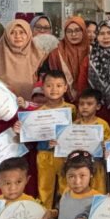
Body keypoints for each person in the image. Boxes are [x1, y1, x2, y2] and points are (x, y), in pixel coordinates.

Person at [15, 70, 76, 208]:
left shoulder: (72, 110)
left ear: (65, 88)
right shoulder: (36, 113)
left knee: (67, 187)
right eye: (49, 85)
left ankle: (67, 214)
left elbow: (79, 132)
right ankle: (44, 215)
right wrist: (20, 131)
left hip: (65, 155)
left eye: (59, 85)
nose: (54, 89)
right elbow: (28, 137)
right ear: (42, 88)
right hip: (44, 154)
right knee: (44, 189)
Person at [0, 19, 46, 101]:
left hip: (33, 104)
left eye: (22, 32)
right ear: (6, 36)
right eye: (12, 32)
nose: (17, 36)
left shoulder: (39, 55)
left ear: (28, 34)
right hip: (4, 104)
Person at [71, 88, 110, 193]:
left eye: (89, 104)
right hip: (78, 166)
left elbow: (109, 144)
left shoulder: (102, 124)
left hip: (97, 165)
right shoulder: (74, 125)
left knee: (98, 193)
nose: (84, 107)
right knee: (79, 192)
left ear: (98, 106)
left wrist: (106, 146)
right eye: (81, 104)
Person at [46, 16, 91, 103]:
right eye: (69, 31)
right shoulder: (56, 53)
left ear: (84, 31)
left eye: (77, 30)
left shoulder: (93, 51)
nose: (73, 34)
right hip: (62, 100)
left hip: (89, 100)